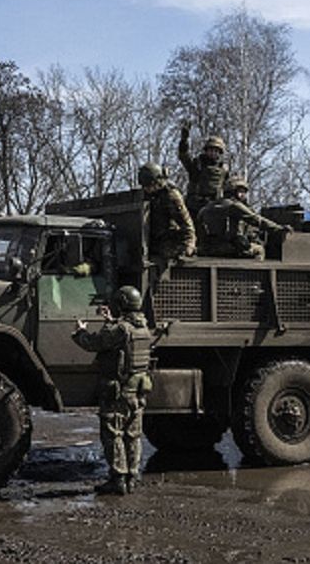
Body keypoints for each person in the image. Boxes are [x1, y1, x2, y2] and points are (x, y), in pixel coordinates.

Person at [72, 286, 154, 495]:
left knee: (113, 434)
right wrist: (110, 320)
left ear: (122, 304)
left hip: (119, 391)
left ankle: (117, 479)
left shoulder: (120, 329)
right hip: (137, 390)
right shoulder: (143, 328)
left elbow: (94, 343)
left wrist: (80, 331)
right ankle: (132, 477)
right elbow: (121, 342)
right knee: (133, 435)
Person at [196, 177, 291, 260]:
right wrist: (278, 228)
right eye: (240, 192)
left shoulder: (206, 208)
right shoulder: (234, 206)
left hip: (207, 248)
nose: (243, 195)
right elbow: (257, 220)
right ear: (233, 192)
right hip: (227, 248)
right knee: (259, 250)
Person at [138, 162, 196, 261]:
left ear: (157, 182)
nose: (146, 189)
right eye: (145, 186)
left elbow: (186, 222)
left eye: (149, 186)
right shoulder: (148, 194)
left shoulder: (171, 196)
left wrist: (189, 244)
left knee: (166, 253)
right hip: (153, 237)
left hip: (169, 238)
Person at [178, 123, 230, 217]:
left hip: (214, 207)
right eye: (211, 150)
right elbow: (184, 156)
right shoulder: (197, 164)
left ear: (220, 153)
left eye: (216, 151)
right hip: (195, 206)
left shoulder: (223, 169)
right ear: (206, 151)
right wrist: (184, 140)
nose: (213, 153)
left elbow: (227, 189)